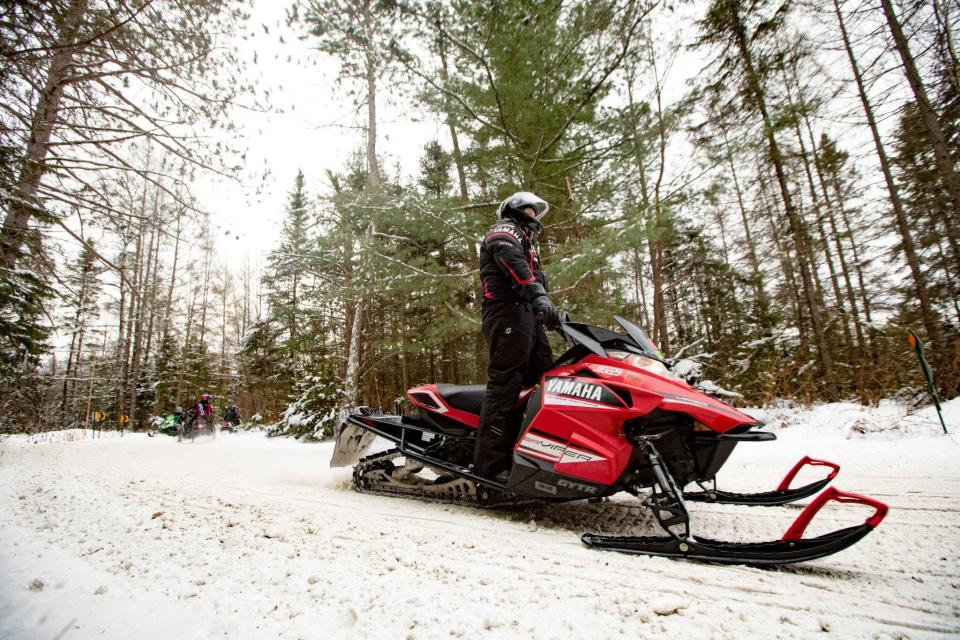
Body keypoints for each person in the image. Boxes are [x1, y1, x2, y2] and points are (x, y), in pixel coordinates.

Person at [473, 191, 558, 480]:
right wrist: (537, 294)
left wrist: (554, 314)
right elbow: (511, 262)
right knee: (505, 383)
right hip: (506, 313)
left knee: (549, 377)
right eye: (529, 210)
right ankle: (490, 466)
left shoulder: (529, 243)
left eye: (536, 211)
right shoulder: (505, 230)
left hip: (527, 316)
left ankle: (539, 455)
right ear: (516, 210)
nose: (534, 216)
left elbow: (534, 281)